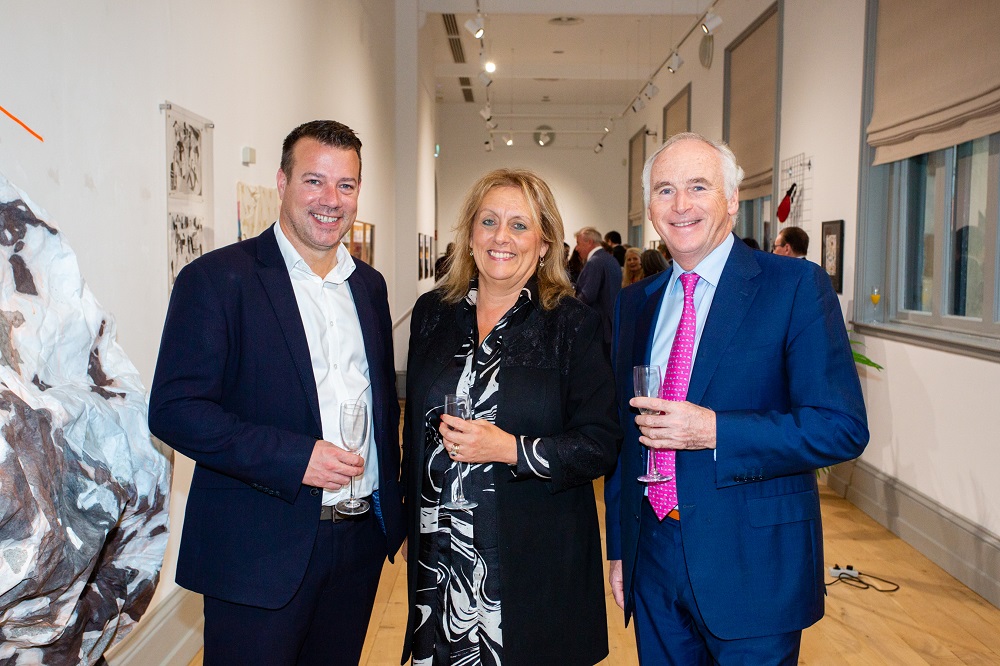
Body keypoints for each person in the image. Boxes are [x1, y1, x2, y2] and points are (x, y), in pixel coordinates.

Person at [605, 132, 869, 664]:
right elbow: (622, 440)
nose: (681, 205)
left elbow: (841, 425)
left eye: (698, 187)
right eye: (664, 190)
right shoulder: (634, 304)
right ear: (650, 209)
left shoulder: (794, 287)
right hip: (652, 559)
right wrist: (620, 550)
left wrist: (714, 432)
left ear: (731, 198)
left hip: (753, 566)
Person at [148, 120, 405, 665]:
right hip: (258, 549)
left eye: (346, 185)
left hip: (356, 544)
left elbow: (382, 407)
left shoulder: (369, 287)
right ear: (282, 182)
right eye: (314, 181)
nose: (330, 200)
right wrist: (295, 458)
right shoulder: (217, 280)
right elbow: (175, 411)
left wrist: (394, 512)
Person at [401, 168, 620, 666]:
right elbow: (413, 431)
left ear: (544, 243)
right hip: (440, 565)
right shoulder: (433, 313)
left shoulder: (571, 324)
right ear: (470, 234)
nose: (502, 237)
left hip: (532, 568)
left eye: (520, 225)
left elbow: (601, 441)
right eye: (489, 221)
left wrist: (510, 449)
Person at [574, 226, 622, 356]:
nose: (577, 248)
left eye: (578, 243)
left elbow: (587, 296)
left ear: (589, 242)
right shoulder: (610, 260)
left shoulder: (594, 262)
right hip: (611, 326)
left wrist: (570, 304)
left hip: (598, 329)